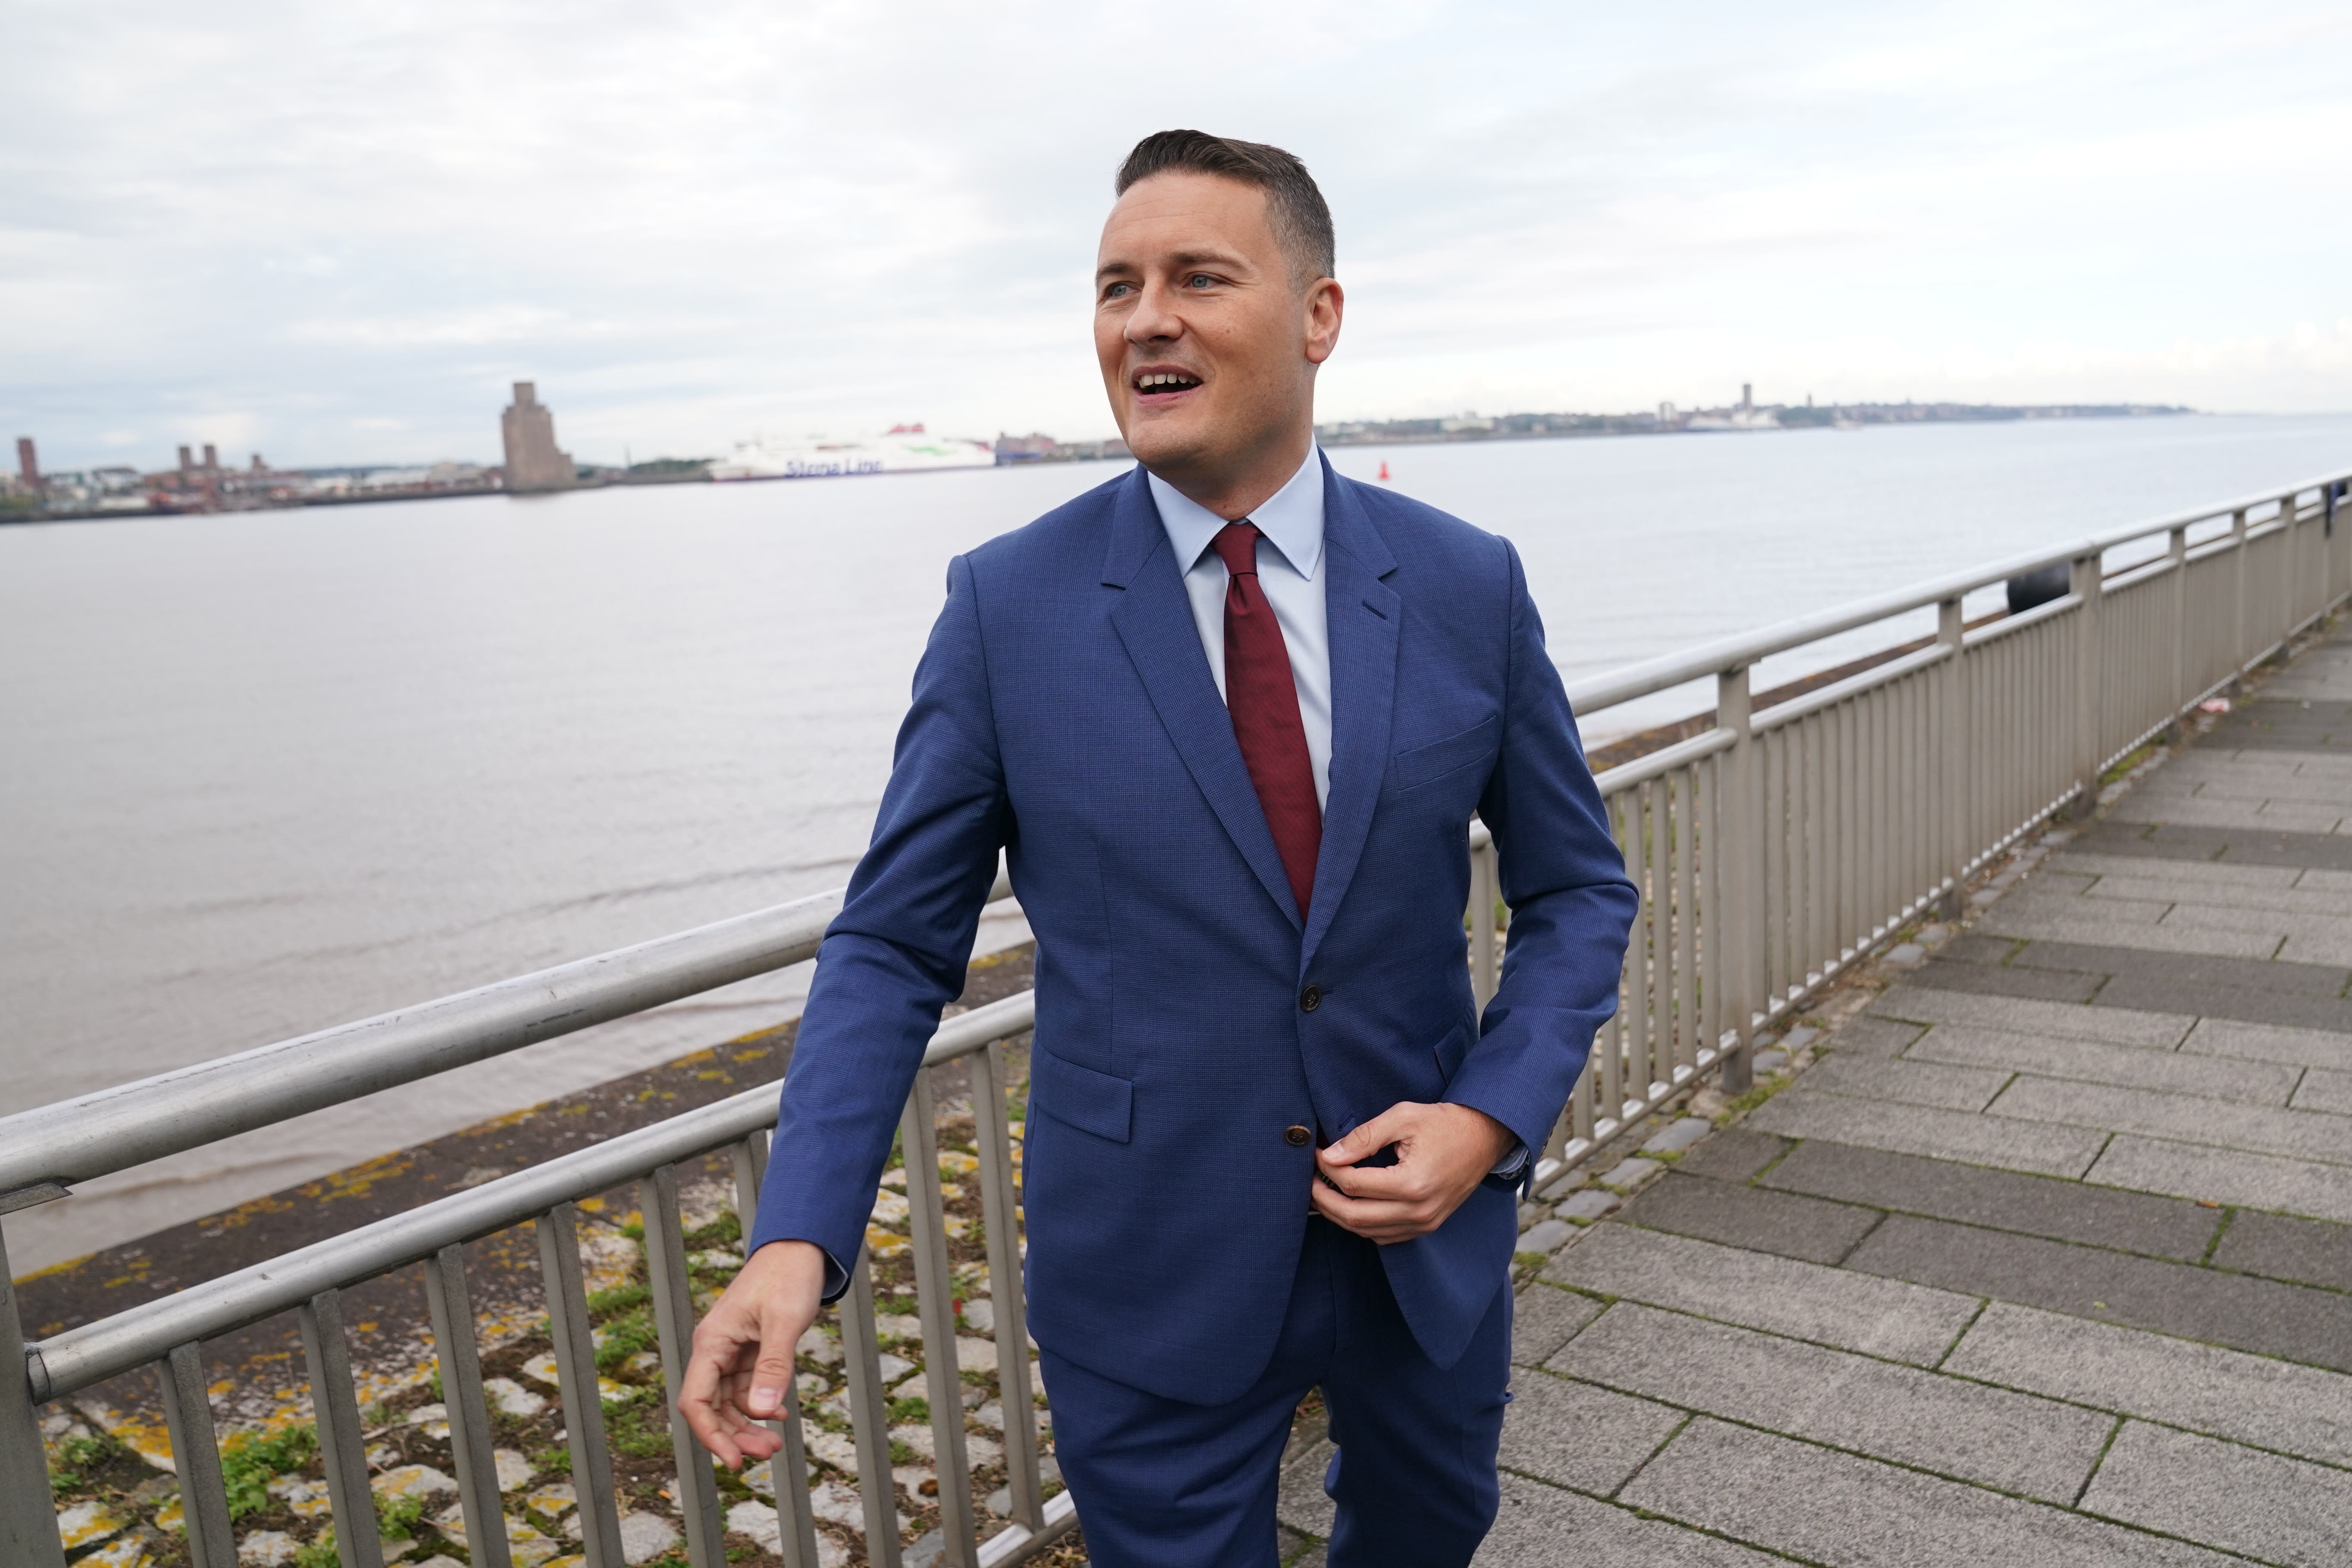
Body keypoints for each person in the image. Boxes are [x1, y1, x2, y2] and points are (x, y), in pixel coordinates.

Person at [679, 128, 1638, 1567]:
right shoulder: (1010, 606)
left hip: (1423, 1240)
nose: (1146, 320)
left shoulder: (1462, 583)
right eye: (1117, 286)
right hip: (1146, 1252)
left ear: (1319, 315)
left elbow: (1579, 892)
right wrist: (796, 1232)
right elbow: (891, 945)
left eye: (1198, 276)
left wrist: (1489, 1119)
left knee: (1434, 1534)